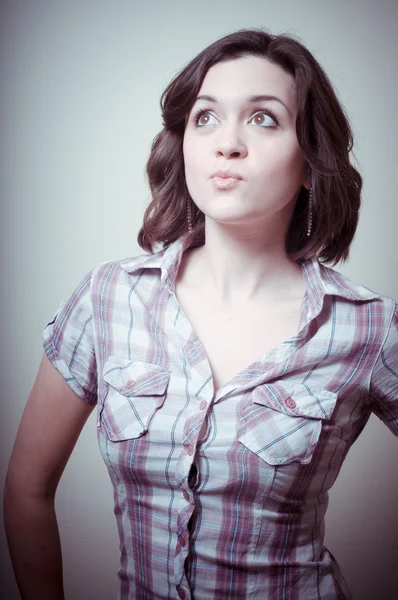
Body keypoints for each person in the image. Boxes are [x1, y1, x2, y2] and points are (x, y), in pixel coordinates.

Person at [4, 27, 397, 600]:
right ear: (183, 144)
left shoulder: (368, 327)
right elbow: (25, 488)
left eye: (264, 118)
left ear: (311, 161)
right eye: (205, 118)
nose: (227, 143)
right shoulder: (107, 298)